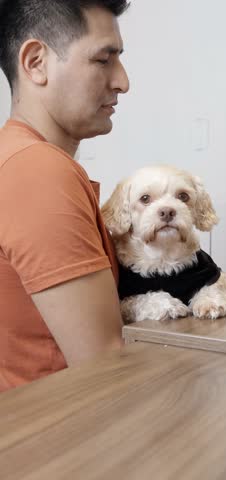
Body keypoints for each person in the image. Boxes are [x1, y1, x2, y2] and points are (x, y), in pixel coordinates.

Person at [0, 0, 130, 392]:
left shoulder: (15, 156)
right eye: (104, 60)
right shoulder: (38, 170)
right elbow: (104, 367)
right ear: (36, 62)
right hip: (60, 440)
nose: (123, 81)